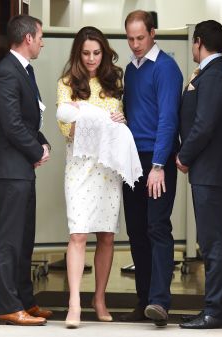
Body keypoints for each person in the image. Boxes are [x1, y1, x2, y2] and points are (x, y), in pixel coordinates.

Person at [56, 26, 141, 329]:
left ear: (103, 52)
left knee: (106, 236)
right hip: (79, 167)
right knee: (78, 233)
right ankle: (75, 303)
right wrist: (94, 119)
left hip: (108, 168)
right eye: (86, 53)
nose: (92, 58)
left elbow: (120, 123)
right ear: (78, 53)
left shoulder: (114, 80)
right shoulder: (66, 84)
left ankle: (99, 299)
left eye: (97, 53)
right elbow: (67, 130)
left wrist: (116, 118)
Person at [0, 14, 53, 326]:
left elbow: (28, 121)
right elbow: (11, 125)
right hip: (10, 170)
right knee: (9, 241)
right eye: (39, 37)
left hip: (22, 169)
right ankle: (7, 306)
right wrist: (36, 150)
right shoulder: (6, 73)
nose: (41, 42)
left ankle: (26, 300)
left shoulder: (24, 70)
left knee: (24, 240)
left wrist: (43, 143)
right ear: (28, 38)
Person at [120, 10, 183, 327]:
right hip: (132, 160)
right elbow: (135, 113)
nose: (135, 45)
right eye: (130, 39)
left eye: (140, 38)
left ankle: (160, 302)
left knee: (157, 227)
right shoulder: (130, 71)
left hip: (156, 161)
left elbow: (167, 120)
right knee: (136, 230)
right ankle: (143, 300)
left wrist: (158, 165)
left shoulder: (167, 68)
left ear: (153, 33)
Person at [176, 20, 222, 329]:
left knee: (214, 244)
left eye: (192, 42)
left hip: (212, 171)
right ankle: (210, 308)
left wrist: (184, 156)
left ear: (199, 41)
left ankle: (216, 312)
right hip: (207, 171)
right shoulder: (210, 74)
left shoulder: (215, 76)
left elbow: (204, 125)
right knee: (210, 241)